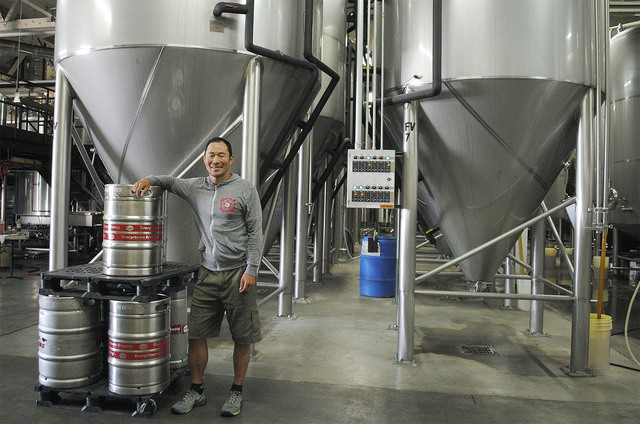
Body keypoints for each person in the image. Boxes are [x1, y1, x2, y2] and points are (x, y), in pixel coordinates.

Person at [133, 137, 263, 417]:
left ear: (231, 159)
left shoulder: (245, 189)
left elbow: (255, 233)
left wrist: (252, 270)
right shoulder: (195, 187)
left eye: (221, 155)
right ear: (204, 159)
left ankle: (236, 392)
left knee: (242, 337)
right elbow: (167, 181)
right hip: (207, 273)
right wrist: (148, 180)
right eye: (211, 155)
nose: (216, 160)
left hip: (238, 274)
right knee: (197, 335)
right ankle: (197, 389)